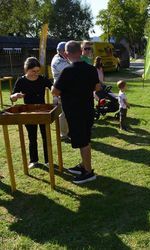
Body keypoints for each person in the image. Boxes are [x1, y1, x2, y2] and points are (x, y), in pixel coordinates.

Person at [51, 40, 101, 184]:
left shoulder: (67, 71)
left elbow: (55, 91)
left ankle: (88, 171)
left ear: (66, 54)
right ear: (80, 51)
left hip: (75, 112)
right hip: (88, 110)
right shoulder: (91, 69)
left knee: (83, 141)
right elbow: (97, 88)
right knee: (84, 139)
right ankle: (83, 165)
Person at [10, 57, 52, 168]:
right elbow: (12, 97)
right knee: (32, 137)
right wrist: (15, 96)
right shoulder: (21, 80)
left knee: (45, 136)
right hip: (28, 113)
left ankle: (48, 160)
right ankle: (34, 160)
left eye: (38, 71)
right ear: (26, 69)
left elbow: (53, 87)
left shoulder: (42, 79)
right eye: (33, 71)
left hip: (43, 112)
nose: (36, 73)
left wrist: (56, 91)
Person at [51, 41, 70, 140]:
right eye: (67, 51)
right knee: (64, 113)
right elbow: (70, 72)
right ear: (62, 51)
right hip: (61, 89)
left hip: (63, 88)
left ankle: (67, 131)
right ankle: (63, 134)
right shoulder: (58, 61)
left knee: (66, 111)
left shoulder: (62, 58)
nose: (68, 53)